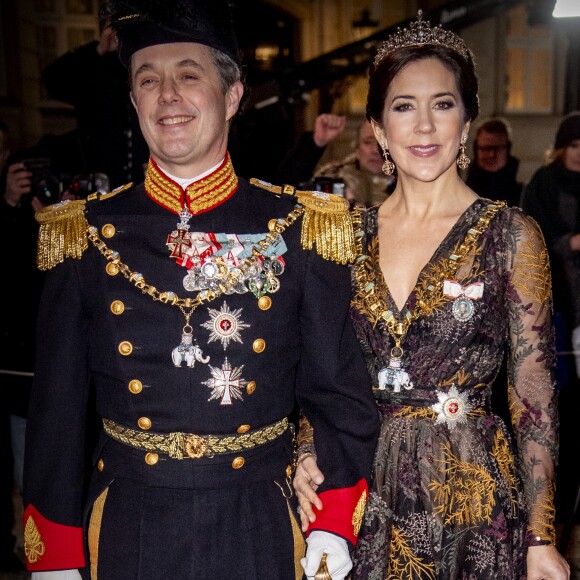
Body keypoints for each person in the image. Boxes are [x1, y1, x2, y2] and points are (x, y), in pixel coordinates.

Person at [22, 1, 380, 579]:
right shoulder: (83, 234)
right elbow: (56, 411)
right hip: (129, 524)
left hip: (259, 518)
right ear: (134, 100)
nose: (168, 96)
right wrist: (56, 552)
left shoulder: (301, 225)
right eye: (148, 81)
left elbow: (338, 393)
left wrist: (335, 519)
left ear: (233, 95)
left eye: (188, 75)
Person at [293, 10, 570, 579]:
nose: (424, 126)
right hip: (358, 492)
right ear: (376, 126)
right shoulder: (344, 236)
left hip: (472, 499)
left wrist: (542, 536)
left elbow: (533, 394)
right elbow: (320, 371)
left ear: (466, 121)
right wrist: (303, 454)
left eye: (442, 104)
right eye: (403, 106)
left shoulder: (511, 235)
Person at [521, 111, 580, 540]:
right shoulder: (544, 181)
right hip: (558, 309)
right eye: (575, 144)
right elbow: (533, 241)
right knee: (558, 410)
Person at [41, 1, 149, 189]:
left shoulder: (139, 65)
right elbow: (52, 79)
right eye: (114, 27)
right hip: (100, 179)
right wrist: (98, 49)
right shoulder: (90, 71)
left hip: (138, 180)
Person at [0, 120, 43, 574]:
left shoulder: (26, 214)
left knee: (29, 470)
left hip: (22, 371)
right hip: (10, 365)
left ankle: (35, 552)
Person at [278, 118, 394, 207]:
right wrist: (316, 142)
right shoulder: (334, 176)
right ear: (357, 148)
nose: (375, 150)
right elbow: (284, 188)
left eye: (383, 143)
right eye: (368, 142)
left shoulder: (409, 184)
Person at [464, 117, 523, 206]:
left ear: (508, 149)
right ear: (476, 149)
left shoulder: (524, 194)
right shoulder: (462, 192)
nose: (491, 155)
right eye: (486, 148)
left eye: (497, 148)